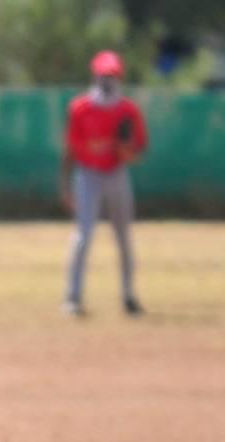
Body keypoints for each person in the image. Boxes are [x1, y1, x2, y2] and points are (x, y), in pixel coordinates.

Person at [59, 49, 149, 317]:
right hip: (87, 174)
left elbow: (137, 152)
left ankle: (128, 295)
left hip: (116, 174)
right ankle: (73, 297)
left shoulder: (127, 110)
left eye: (112, 76)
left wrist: (126, 150)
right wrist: (65, 185)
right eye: (103, 75)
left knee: (123, 236)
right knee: (83, 236)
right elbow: (70, 150)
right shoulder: (80, 108)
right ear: (95, 76)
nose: (107, 81)